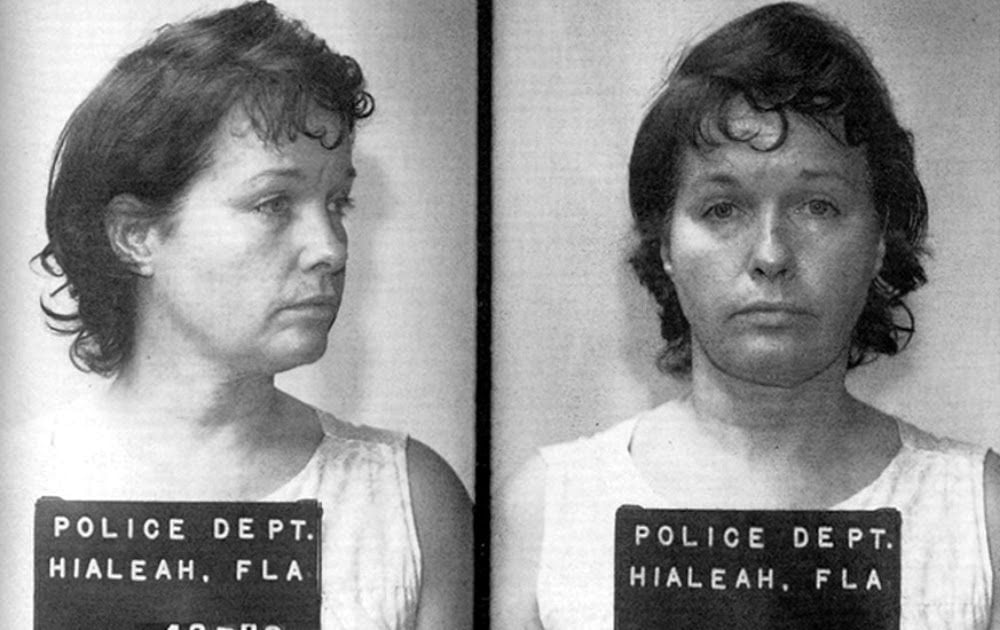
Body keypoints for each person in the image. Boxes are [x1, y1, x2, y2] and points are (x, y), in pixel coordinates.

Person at [493, 3, 999, 629]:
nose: (770, 255)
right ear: (664, 246)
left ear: (878, 243)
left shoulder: (979, 515)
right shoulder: (551, 507)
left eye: (817, 206)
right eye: (722, 209)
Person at [33, 2, 471, 628]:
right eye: (273, 203)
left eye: (337, 202)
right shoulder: (19, 485)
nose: (330, 247)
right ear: (137, 235)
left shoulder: (411, 500)